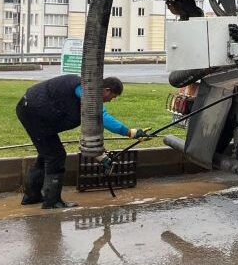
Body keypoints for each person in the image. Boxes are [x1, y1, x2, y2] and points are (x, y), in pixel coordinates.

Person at [16, 75, 147, 209]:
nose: (109, 101)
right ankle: (52, 201)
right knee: (55, 155)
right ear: (107, 90)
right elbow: (101, 115)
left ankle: (32, 196)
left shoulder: (84, 94)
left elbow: (89, 129)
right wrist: (130, 132)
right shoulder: (84, 90)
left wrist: (99, 153)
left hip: (35, 111)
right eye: (112, 97)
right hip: (34, 112)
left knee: (48, 153)